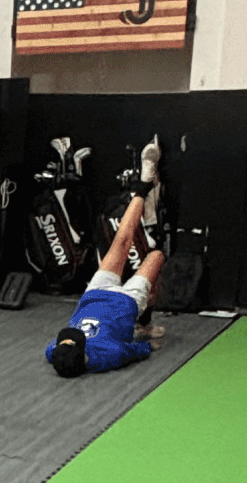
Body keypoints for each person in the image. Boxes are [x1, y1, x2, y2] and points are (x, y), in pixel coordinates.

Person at [46, 147, 167, 378]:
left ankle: (143, 186)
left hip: (94, 294)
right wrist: (146, 344)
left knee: (121, 241)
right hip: (127, 302)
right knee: (156, 255)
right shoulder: (108, 356)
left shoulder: (54, 351)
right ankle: (145, 323)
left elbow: (55, 349)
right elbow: (135, 351)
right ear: (84, 356)